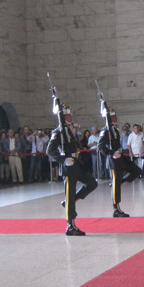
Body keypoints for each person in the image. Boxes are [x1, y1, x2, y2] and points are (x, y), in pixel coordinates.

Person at [47, 101, 98, 236]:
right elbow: (50, 151)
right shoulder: (58, 132)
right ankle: (70, 225)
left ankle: (70, 201)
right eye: (67, 114)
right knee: (69, 194)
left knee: (92, 183)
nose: (70, 116)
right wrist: (63, 159)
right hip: (68, 167)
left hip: (76, 164)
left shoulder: (68, 131)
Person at [98, 104, 141, 217]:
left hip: (121, 157)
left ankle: (119, 182)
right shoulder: (105, 131)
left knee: (137, 171)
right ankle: (116, 209)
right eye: (113, 116)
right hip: (113, 161)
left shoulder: (115, 130)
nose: (115, 118)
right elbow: (100, 147)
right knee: (116, 187)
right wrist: (112, 153)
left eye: (115, 116)